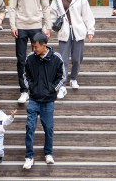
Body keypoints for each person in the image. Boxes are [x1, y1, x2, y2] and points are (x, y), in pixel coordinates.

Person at [8, 0, 51, 104]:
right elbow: (12, 7)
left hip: (36, 25)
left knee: (39, 57)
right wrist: (12, 25)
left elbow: (46, 7)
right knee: (21, 59)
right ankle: (24, 90)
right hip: (20, 25)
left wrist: (48, 27)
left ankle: (37, 87)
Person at [22, 32, 65, 170]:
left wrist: (53, 89)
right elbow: (25, 75)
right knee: (30, 127)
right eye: (32, 47)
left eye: (36, 47)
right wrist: (31, 88)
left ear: (44, 45)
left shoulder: (56, 58)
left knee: (48, 128)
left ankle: (49, 153)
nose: (33, 49)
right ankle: (29, 156)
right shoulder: (30, 58)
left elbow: (62, 77)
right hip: (34, 99)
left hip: (48, 100)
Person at [49, 0, 95, 88]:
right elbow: (52, 15)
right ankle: (63, 83)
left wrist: (90, 30)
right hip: (64, 31)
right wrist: (48, 29)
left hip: (78, 31)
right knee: (63, 59)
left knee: (77, 58)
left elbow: (87, 14)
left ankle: (73, 78)